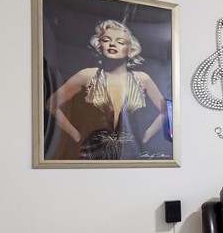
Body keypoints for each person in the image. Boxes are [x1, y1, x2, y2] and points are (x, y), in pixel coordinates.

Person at [45, 19, 169, 160]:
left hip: (131, 155)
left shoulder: (143, 79)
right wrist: (77, 136)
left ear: (130, 49)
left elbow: (167, 111)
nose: (112, 44)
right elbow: (51, 105)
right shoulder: (86, 75)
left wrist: (145, 137)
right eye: (106, 40)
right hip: (91, 153)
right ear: (99, 46)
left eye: (120, 42)